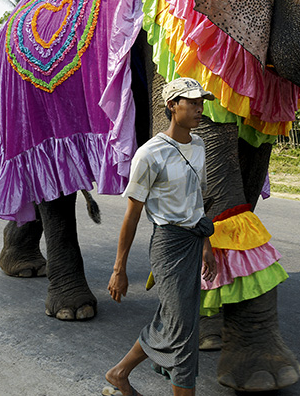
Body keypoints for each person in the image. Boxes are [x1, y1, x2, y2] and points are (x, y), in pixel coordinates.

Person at [105, 77, 218, 396]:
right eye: (192, 102)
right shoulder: (150, 154)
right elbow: (132, 214)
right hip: (168, 246)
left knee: (174, 319)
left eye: (201, 103)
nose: (199, 109)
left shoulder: (199, 145)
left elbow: (198, 201)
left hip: (194, 241)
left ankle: (119, 373)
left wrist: (206, 245)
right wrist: (119, 268)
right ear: (172, 106)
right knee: (183, 331)